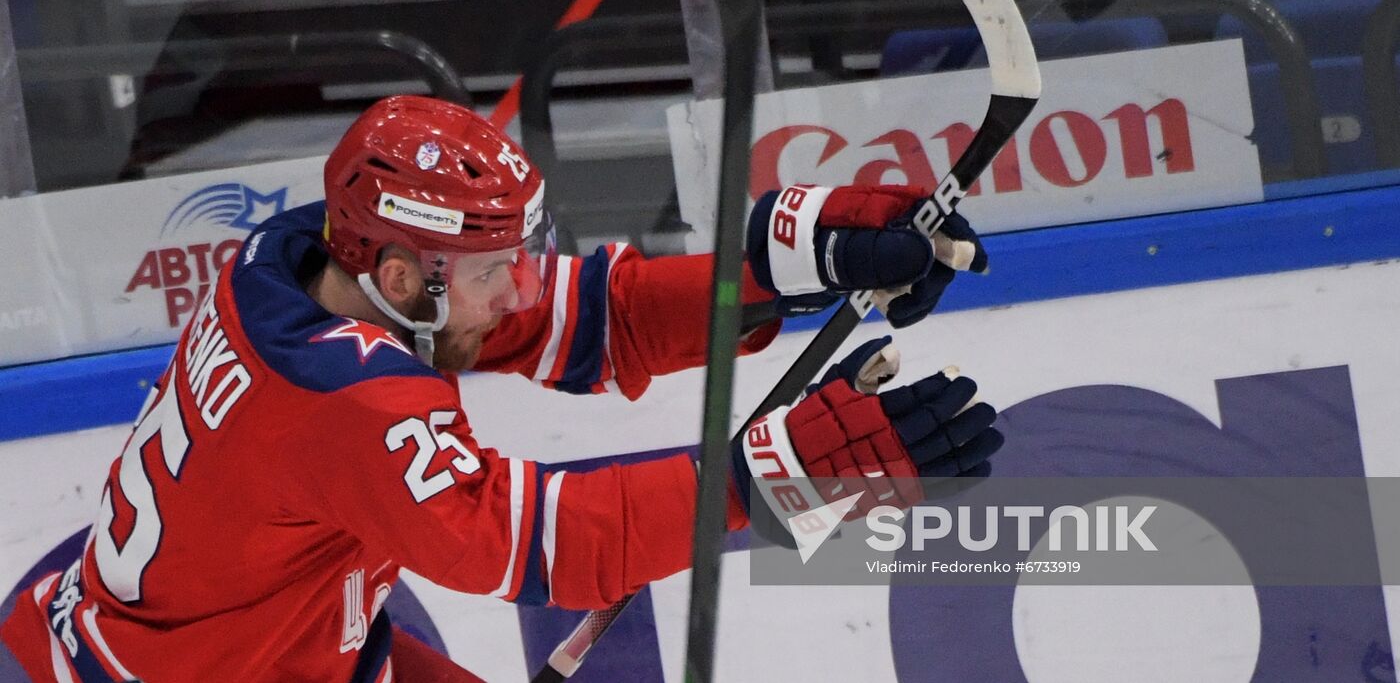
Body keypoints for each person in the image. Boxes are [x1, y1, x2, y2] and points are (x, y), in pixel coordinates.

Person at [0, 95, 1002, 682]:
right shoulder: (344, 401)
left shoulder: (301, 258)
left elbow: (580, 321)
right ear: (399, 277)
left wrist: (781, 272)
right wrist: (771, 477)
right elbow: (546, 544)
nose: (514, 290)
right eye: (492, 270)